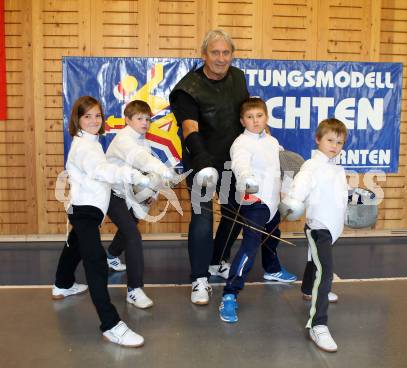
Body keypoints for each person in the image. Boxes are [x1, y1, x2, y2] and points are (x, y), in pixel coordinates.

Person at [170, 29, 295, 305]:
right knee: (202, 218)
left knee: (235, 213)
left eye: (226, 52)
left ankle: (217, 261)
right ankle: (199, 280)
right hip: (200, 162)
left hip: (233, 162)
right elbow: (189, 127)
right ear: (204, 55)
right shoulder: (186, 88)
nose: (221, 58)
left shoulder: (237, 77)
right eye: (215, 52)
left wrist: (267, 138)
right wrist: (202, 163)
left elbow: (247, 113)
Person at [52, 96, 151, 347]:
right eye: (88, 116)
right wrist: (134, 175)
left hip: (86, 210)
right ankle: (111, 325)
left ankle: (62, 284)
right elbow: (100, 170)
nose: (94, 120)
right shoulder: (85, 147)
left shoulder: (91, 142)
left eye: (97, 115)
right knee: (95, 263)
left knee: (74, 246)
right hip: (85, 212)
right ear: (77, 119)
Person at [279, 118, 349, 352]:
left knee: (315, 261)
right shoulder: (311, 166)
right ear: (318, 139)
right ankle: (318, 325)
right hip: (319, 228)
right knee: (325, 272)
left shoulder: (337, 168)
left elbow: (339, 197)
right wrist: (293, 201)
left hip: (332, 226)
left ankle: (308, 290)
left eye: (339, 142)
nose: (334, 145)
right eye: (330, 140)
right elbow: (299, 188)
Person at [218, 97, 287, 323]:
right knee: (250, 246)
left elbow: (282, 165)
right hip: (254, 201)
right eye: (250, 117)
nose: (255, 121)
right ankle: (230, 293)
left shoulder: (272, 141)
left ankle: (272, 269)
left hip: (272, 202)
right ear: (242, 120)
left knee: (273, 237)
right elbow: (240, 165)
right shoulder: (241, 143)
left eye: (259, 116)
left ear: (266, 117)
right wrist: (247, 181)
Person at [105, 99, 174, 309]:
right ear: (128, 120)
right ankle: (134, 290)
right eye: (139, 118)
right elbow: (142, 160)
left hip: (128, 191)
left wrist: (152, 190)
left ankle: (110, 255)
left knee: (131, 224)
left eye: (147, 119)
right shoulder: (124, 139)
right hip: (109, 192)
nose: (144, 122)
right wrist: (164, 170)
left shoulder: (142, 139)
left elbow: (145, 170)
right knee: (133, 236)